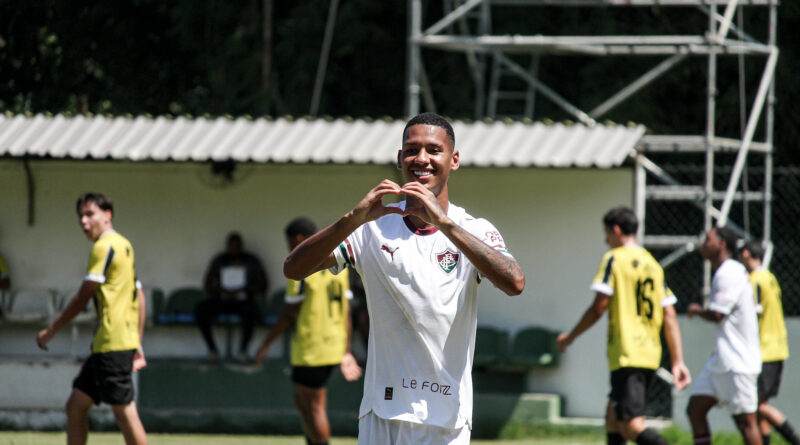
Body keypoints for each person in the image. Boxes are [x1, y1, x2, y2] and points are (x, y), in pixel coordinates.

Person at [282, 112, 525, 444]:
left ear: (454, 160)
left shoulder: (473, 229)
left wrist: (446, 225)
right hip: (382, 413)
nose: (421, 159)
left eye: (433, 150)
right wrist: (352, 218)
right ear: (400, 159)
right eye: (411, 150)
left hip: (447, 417)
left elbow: (515, 283)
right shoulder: (371, 228)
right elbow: (294, 269)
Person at [556, 206, 691, 445]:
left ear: (616, 230)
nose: (605, 240)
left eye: (606, 233)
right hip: (649, 353)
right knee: (613, 418)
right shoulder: (652, 264)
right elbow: (669, 313)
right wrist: (678, 361)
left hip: (628, 353)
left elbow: (599, 306)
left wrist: (571, 337)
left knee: (631, 426)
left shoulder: (614, 258)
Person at [36, 192, 148, 445]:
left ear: (107, 215)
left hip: (112, 343)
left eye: (90, 214)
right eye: (81, 216)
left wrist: (51, 330)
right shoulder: (124, 245)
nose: (83, 222)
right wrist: (137, 341)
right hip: (111, 343)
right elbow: (139, 295)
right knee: (75, 405)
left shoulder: (103, 247)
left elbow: (83, 297)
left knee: (124, 412)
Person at [255, 217, 362, 445]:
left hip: (312, 347)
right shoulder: (338, 267)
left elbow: (288, 314)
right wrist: (346, 350)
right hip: (333, 345)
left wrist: (265, 345)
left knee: (313, 406)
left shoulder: (300, 267)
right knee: (303, 401)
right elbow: (346, 311)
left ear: (299, 240)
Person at [686, 226, 762, 445]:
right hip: (721, 360)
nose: (703, 244)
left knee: (746, 423)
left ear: (721, 244)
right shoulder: (724, 271)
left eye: (707, 239)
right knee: (695, 409)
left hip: (738, 362)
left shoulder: (729, 272)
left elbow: (719, 313)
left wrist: (697, 310)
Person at [740, 241, 799, 445]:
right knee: (760, 404)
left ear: (746, 253)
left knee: (756, 405)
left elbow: (753, 314)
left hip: (764, 350)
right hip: (777, 347)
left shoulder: (754, 280)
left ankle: (794, 438)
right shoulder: (770, 277)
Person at [196, 232, 268, 361]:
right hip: (222, 300)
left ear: (242, 246)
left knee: (252, 311)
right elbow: (207, 285)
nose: (234, 248)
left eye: (237, 245)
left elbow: (263, 285)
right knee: (201, 309)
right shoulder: (219, 260)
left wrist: (243, 289)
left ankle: (243, 350)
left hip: (244, 301)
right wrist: (222, 289)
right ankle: (212, 350)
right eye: (231, 245)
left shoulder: (252, 261)